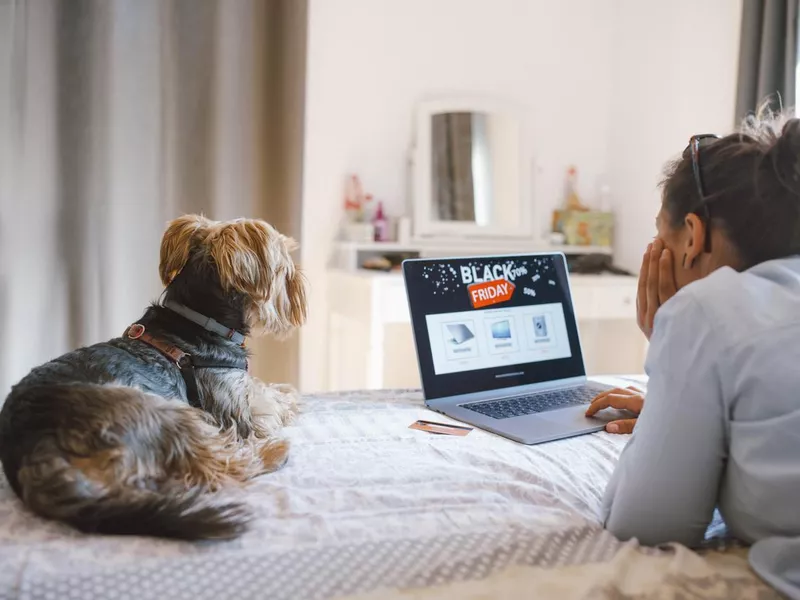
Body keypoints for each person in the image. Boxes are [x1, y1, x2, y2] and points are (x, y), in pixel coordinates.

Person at [585, 109, 800, 599]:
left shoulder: (706, 311)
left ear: (692, 236)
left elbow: (645, 523)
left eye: (660, 233)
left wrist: (668, 353)